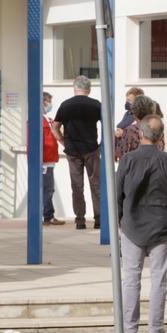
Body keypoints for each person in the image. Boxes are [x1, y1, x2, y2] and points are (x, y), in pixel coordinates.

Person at [115, 115, 167, 333]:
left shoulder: (127, 160)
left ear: (141, 133)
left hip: (132, 226)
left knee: (131, 278)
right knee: (159, 278)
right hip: (161, 226)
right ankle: (156, 329)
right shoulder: (166, 161)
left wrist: (120, 221)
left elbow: (118, 194)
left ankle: (129, 329)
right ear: (161, 135)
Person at [52, 75, 103, 230]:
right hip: (92, 150)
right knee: (96, 185)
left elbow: (55, 127)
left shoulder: (66, 105)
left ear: (74, 87)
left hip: (73, 151)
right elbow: (107, 124)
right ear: (89, 89)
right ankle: (99, 219)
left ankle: (80, 220)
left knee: (77, 186)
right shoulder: (96, 105)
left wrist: (62, 140)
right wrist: (101, 144)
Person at [41, 92, 66, 226]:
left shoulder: (48, 119)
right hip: (44, 160)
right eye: (47, 101)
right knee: (47, 188)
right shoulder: (37, 120)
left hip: (50, 159)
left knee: (48, 188)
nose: (49, 104)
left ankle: (48, 214)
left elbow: (56, 135)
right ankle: (48, 216)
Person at [115, 95, 165, 161]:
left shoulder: (130, 131)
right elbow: (161, 148)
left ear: (134, 112)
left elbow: (124, 156)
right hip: (155, 168)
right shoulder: (157, 128)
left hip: (136, 169)